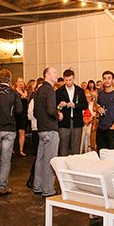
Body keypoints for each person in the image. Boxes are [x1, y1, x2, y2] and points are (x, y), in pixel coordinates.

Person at [0, 69, 23, 196]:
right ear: (9, 80)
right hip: (9, 129)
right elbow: (19, 110)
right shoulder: (13, 93)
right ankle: (3, 185)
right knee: (6, 158)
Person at [33, 67, 63, 197]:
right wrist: (58, 115)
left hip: (41, 129)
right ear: (47, 75)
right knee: (50, 160)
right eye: (54, 72)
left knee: (40, 159)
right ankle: (48, 189)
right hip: (50, 129)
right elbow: (51, 110)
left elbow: (35, 112)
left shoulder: (38, 90)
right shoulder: (50, 90)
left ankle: (38, 186)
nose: (57, 74)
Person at [55, 69, 88, 156]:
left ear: (74, 78)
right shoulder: (59, 91)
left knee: (76, 148)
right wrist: (60, 106)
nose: (68, 82)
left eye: (70, 80)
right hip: (64, 122)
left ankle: (75, 164)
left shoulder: (80, 90)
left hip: (77, 121)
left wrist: (75, 105)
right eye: (66, 80)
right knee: (63, 147)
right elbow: (55, 107)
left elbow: (85, 105)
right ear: (63, 79)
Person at [96, 71, 114, 151]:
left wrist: (113, 127)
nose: (107, 80)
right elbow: (97, 105)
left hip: (112, 129)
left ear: (112, 79)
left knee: (113, 153)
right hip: (101, 128)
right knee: (101, 152)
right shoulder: (101, 93)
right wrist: (98, 108)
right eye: (105, 78)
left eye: (109, 78)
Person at [14, 77, 29, 157]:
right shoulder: (14, 92)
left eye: (22, 81)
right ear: (16, 83)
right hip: (16, 114)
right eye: (19, 81)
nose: (20, 83)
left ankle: (21, 150)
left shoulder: (25, 92)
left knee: (22, 132)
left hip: (23, 114)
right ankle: (12, 148)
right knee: (14, 132)